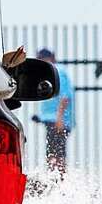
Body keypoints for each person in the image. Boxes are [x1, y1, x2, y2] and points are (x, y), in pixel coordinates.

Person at [33, 48, 75, 176]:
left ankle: (58, 181)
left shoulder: (57, 71)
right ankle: (55, 179)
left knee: (56, 154)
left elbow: (65, 97)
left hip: (57, 121)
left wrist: (59, 118)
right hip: (53, 120)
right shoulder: (53, 71)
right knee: (53, 152)